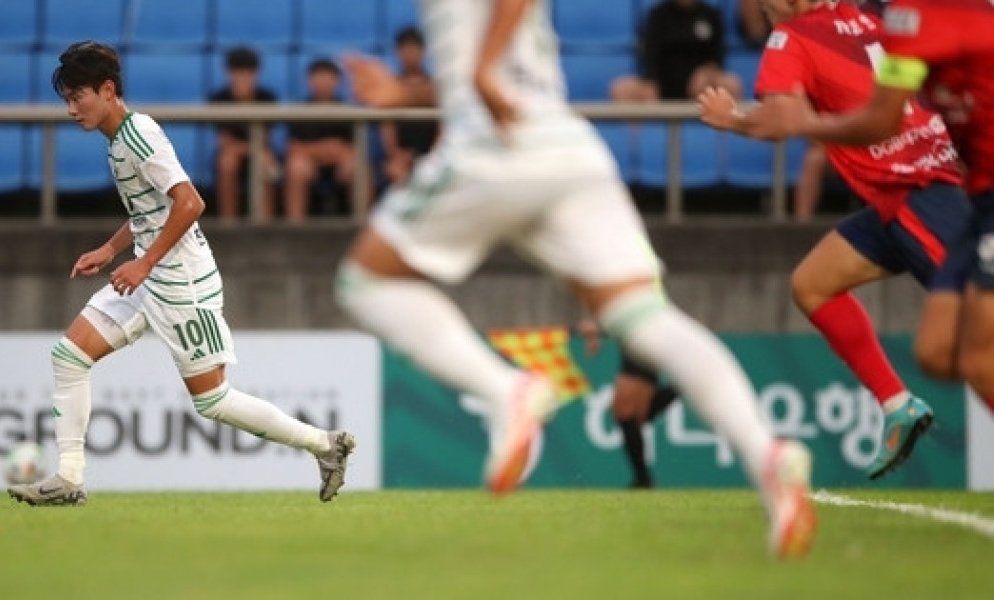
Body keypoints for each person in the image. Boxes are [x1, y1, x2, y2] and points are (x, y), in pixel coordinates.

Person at [339, 0, 815, 558]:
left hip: (493, 147)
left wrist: (480, 72)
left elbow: (490, 58)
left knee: (365, 283)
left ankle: (507, 392)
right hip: (566, 147)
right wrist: (412, 94)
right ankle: (766, 455)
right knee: (643, 316)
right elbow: (486, 61)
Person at [7, 42, 355, 507]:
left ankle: (325, 445)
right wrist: (111, 250)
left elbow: (191, 203)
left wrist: (144, 263)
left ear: (107, 90)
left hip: (179, 281)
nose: (71, 110)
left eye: (78, 97)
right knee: (68, 357)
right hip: (146, 274)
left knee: (213, 402)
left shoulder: (138, 136)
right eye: (67, 100)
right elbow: (150, 210)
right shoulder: (118, 140)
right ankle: (69, 479)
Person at [698, 0, 971, 479]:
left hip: (920, 196)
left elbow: (781, 121)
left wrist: (731, 119)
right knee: (812, 283)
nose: (765, 16)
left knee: (979, 332)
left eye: (766, 7)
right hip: (903, 193)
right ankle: (896, 404)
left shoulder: (793, 38)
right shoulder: (868, 17)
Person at [747, 0, 994, 414]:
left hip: (946, 187)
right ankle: (898, 406)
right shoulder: (901, 21)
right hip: (963, 191)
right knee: (938, 351)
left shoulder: (971, 16)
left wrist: (802, 123)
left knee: (976, 345)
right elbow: (882, 120)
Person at [577, 319, 677, 489]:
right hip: (641, 336)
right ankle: (643, 478)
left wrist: (598, 328)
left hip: (643, 335)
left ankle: (643, 478)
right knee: (632, 416)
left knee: (625, 413)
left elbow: (627, 309)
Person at [611, 0, 743, 102]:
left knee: (731, 83)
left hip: (701, 88)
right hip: (660, 87)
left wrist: (707, 73)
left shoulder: (711, 16)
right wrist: (651, 82)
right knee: (622, 88)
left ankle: (720, 137)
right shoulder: (657, 15)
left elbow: (717, 58)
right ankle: (639, 137)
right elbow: (649, 55)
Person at [208, 47, 280, 223]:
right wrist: (253, 150)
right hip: (234, 152)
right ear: (229, 73)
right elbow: (225, 142)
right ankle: (228, 224)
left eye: (248, 72)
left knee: (265, 162)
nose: (243, 77)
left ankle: (265, 224)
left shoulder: (267, 97)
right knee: (227, 162)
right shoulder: (218, 98)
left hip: (260, 152)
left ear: (256, 73)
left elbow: (265, 138)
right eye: (237, 72)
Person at [285, 59, 362, 222]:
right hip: (309, 166)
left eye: (328, 77)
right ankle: (294, 228)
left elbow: (353, 149)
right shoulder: (299, 111)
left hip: (340, 166)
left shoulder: (348, 111)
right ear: (309, 81)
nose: (323, 82)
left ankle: (362, 227)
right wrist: (328, 148)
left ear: (337, 81)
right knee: (296, 167)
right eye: (319, 77)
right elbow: (294, 149)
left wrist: (316, 150)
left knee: (357, 167)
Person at [380, 27, 438, 186]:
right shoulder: (389, 88)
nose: (410, 54)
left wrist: (435, 153)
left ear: (423, 51)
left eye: (414, 48)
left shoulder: (436, 86)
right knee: (396, 170)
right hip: (403, 153)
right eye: (405, 49)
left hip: (434, 150)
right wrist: (395, 153)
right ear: (397, 52)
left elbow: (444, 124)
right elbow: (387, 126)